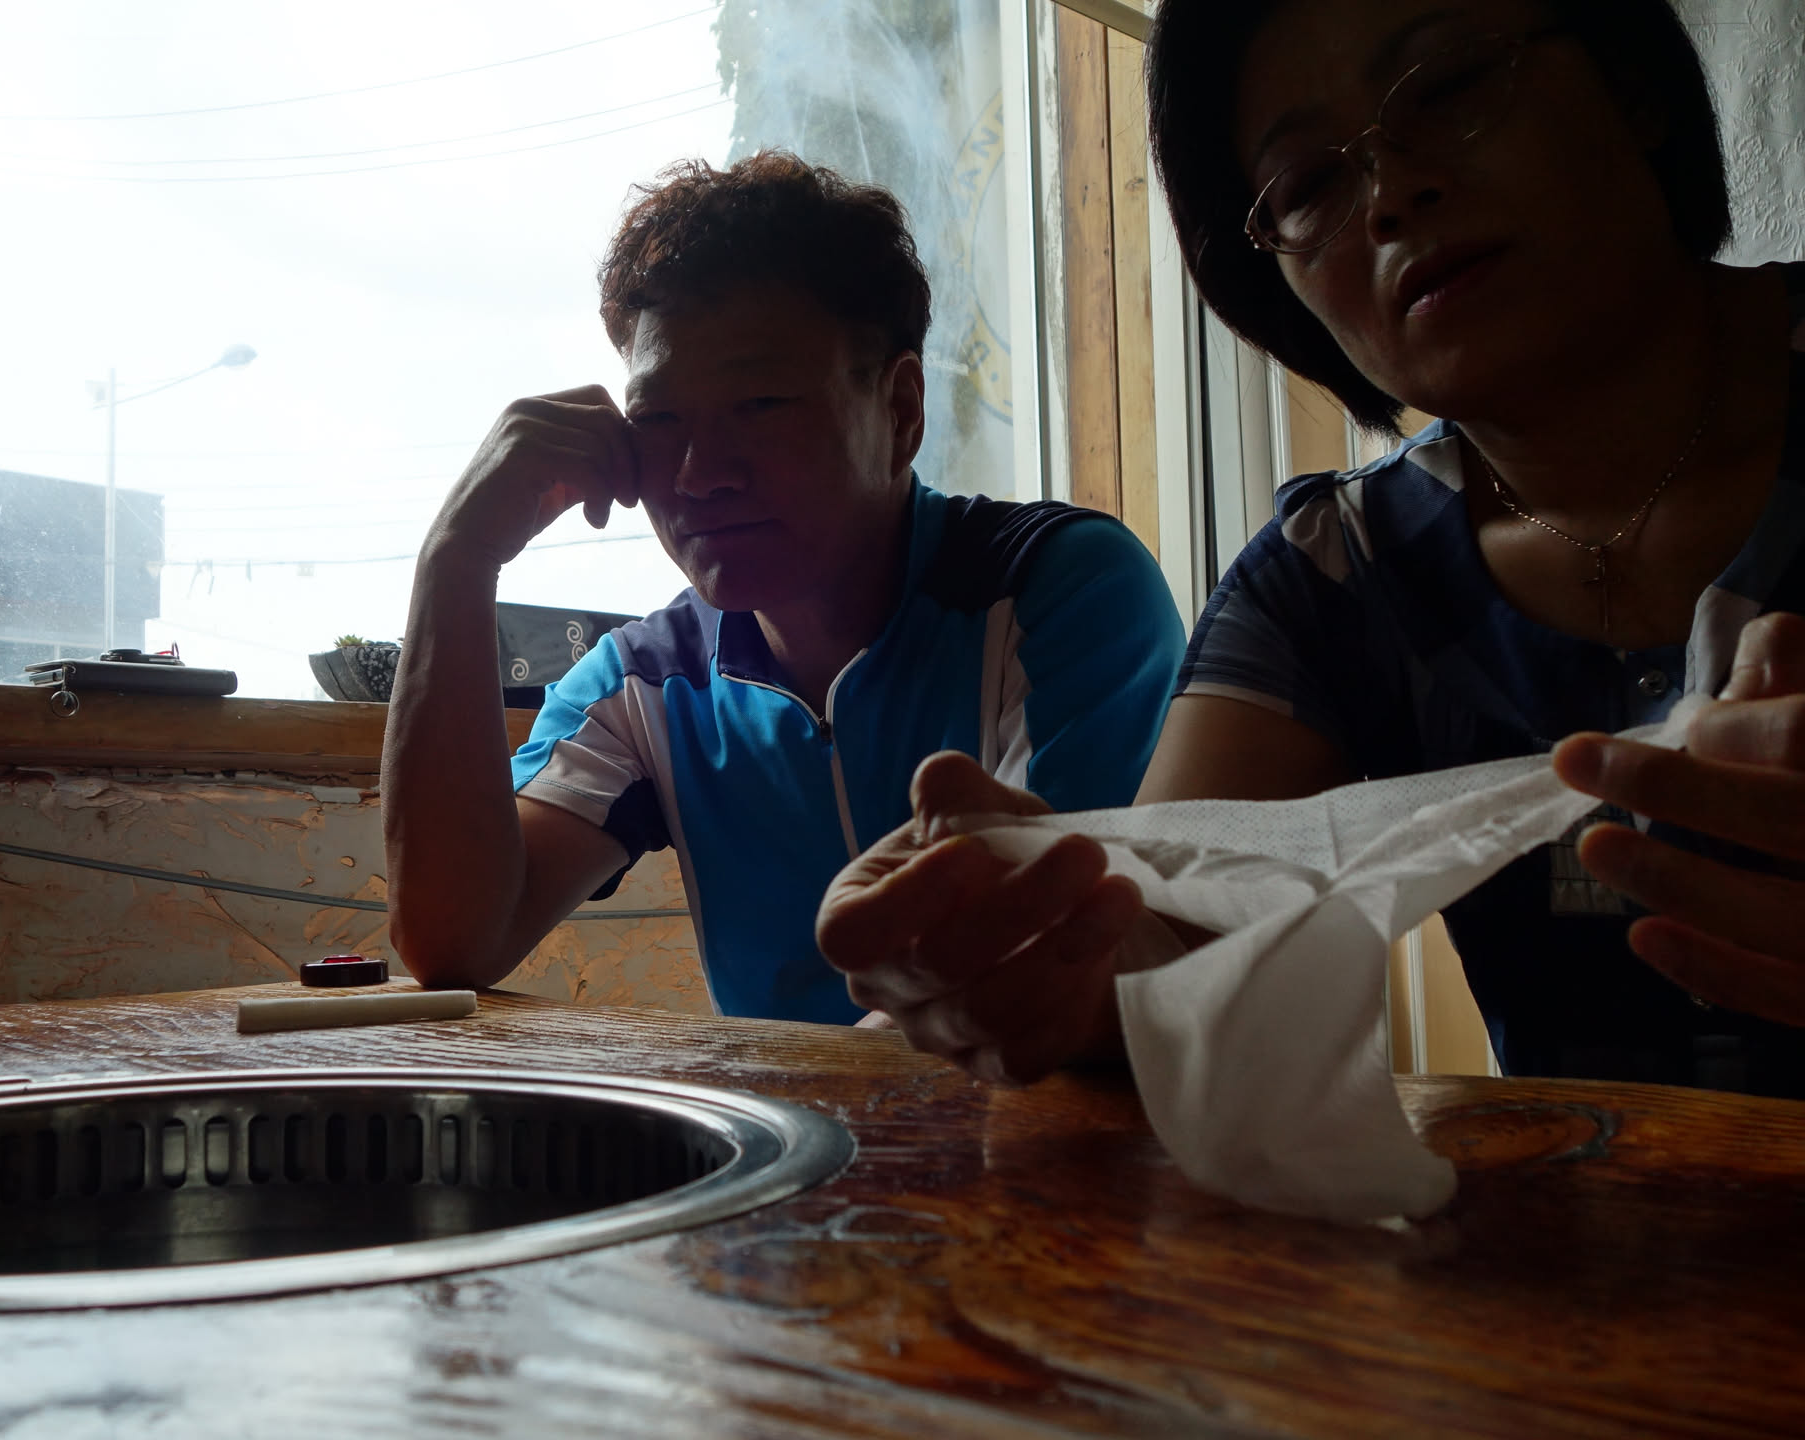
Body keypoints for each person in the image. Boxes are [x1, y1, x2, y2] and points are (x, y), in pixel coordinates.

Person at [816, 0, 1805, 1092]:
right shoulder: (1334, 569)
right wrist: (1034, 944)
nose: (1390, 195)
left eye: (1449, 86)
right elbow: (1170, 932)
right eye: (1306, 186)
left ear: (1634, 86)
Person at [382, 153, 1186, 1024]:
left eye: (761, 404)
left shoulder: (1058, 593)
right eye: (658, 420)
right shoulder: (644, 688)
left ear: (902, 409)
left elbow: (1025, 971)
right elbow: (456, 941)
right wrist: (457, 557)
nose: (698, 475)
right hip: (784, 1117)